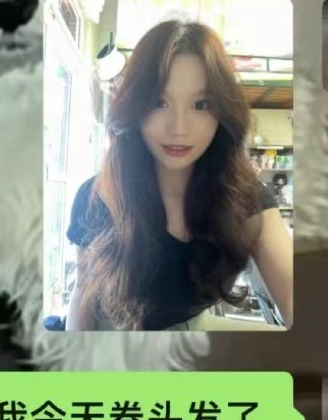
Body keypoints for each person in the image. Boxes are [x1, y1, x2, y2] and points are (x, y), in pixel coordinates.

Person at [65, 19, 293, 331]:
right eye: (160, 102)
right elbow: (82, 294)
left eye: (201, 104)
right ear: (136, 107)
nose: (179, 128)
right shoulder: (95, 197)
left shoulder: (244, 199)